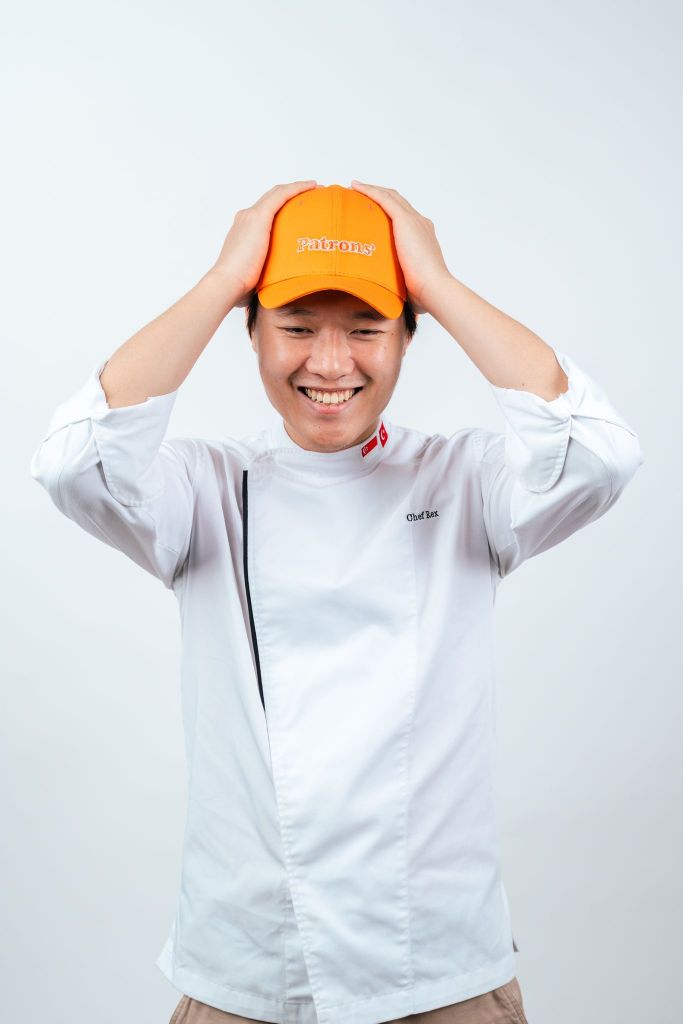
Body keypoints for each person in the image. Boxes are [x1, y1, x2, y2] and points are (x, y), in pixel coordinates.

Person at [30, 181, 644, 1024]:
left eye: (365, 328)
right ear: (248, 332)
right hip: (250, 966)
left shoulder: (461, 480)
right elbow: (74, 465)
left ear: (407, 337)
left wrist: (436, 284)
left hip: (436, 968)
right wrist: (222, 279)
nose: (329, 364)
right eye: (294, 327)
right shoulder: (207, 488)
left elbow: (598, 457)